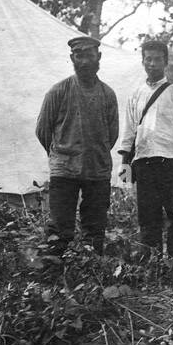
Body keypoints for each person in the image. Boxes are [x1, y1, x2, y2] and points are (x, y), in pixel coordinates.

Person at [35, 35, 120, 255]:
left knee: (94, 228)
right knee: (60, 227)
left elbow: (112, 134)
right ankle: (53, 276)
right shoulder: (58, 91)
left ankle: (90, 273)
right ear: (72, 58)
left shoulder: (108, 95)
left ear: (98, 57)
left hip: (97, 170)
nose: (84, 61)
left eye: (89, 56)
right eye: (78, 56)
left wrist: (93, 152)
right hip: (64, 171)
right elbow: (42, 130)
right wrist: (62, 154)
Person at [116, 40, 173, 263]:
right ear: (143, 61)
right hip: (143, 163)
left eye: (157, 60)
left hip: (171, 162)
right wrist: (125, 166)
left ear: (166, 62)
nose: (152, 64)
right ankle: (149, 260)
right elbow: (130, 131)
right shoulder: (136, 95)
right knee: (147, 214)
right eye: (148, 59)